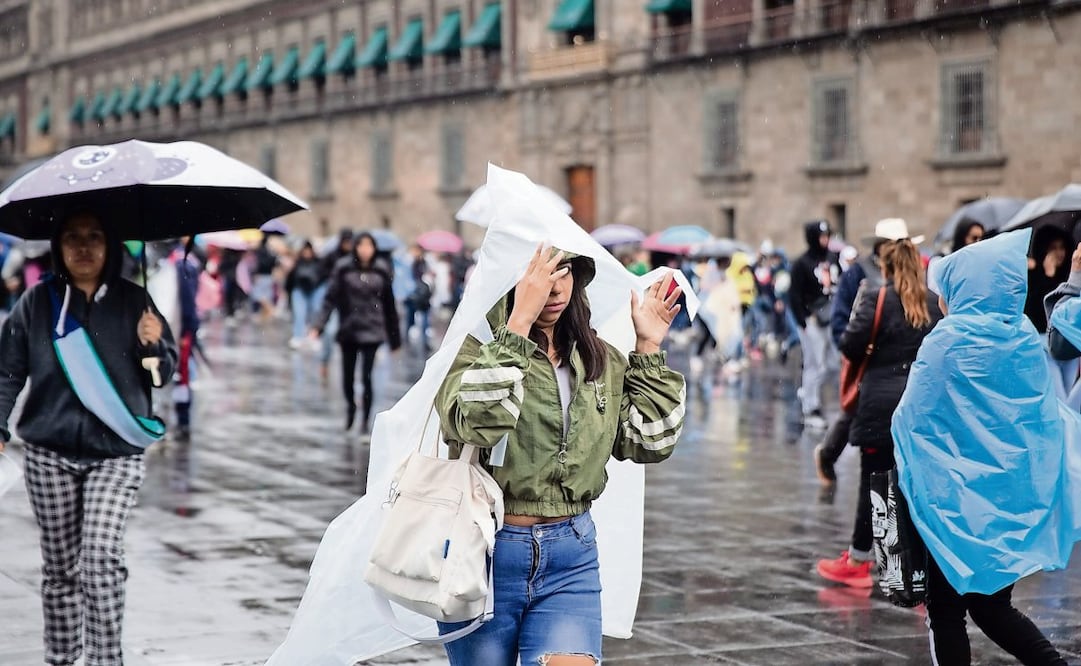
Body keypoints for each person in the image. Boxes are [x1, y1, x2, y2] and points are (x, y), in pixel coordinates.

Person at [434, 245, 686, 665]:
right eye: (540, 273)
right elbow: (477, 421)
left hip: (571, 559)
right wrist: (517, 324)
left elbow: (650, 440)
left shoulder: (598, 359)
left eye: (565, 270)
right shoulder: (475, 350)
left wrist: (648, 346)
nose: (555, 286)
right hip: (484, 555)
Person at [0, 211, 177, 666]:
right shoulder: (38, 303)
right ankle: (60, 658)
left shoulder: (137, 301)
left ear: (110, 245)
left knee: (99, 560)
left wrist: (153, 346)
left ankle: (105, 659)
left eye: (94, 237)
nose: (83, 247)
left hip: (116, 452)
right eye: (73, 238)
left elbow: (162, 376)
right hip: (48, 453)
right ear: (58, 246)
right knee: (60, 570)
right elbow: (7, 370)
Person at [893, 229, 1070, 665]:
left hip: (950, 503)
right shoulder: (1025, 339)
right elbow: (1039, 417)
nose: (941, 300)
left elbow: (910, 417)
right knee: (992, 606)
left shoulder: (947, 343)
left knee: (947, 610)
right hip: (1003, 503)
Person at [816, 225, 942, 588]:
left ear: (885, 266)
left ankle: (859, 560)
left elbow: (851, 347)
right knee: (915, 487)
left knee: (875, 485)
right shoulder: (935, 302)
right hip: (920, 407)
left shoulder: (876, 298)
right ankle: (920, 569)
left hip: (880, 409)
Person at [814, 221, 891, 484]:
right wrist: (850, 345)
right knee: (855, 404)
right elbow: (840, 316)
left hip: (892, 351)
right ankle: (829, 452)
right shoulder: (858, 272)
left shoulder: (907, 274)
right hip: (863, 350)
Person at [312, 232, 401, 433]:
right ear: (356, 248)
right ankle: (351, 406)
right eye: (362, 245)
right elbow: (330, 298)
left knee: (367, 377)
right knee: (347, 377)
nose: (365, 250)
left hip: (373, 329)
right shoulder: (343, 268)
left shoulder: (381, 270)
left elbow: (390, 305)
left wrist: (395, 339)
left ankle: (365, 422)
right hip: (349, 329)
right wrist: (319, 325)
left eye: (369, 246)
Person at [789, 220, 841, 429]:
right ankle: (810, 406)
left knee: (833, 364)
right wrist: (802, 320)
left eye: (827, 235)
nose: (825, 240)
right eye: (821, 236)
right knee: (814, 364)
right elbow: (794, 294)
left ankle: (810, 393)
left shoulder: (832, 258)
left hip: (831, 317)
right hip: (812, 320)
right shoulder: (802, 263)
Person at [1025, 227, 1077, 399]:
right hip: (1043, 347)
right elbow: (1036, 311)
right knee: (1059, 398)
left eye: (1061, 247)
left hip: (1068, 347)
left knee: (1069, 396)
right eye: (1053, 248)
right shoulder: (1031, 276)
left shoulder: (1071, 277)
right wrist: (1047, 275)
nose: (1059, 253)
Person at [285, 240, 323, 350]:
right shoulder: (297, 262)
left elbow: (322, 276)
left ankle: (314, 336)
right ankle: (298, 336)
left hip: (314, 290)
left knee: (315, 313)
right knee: (299, 313)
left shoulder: (318, 262)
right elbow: (290, 279)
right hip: (299, 290)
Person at [402, 243, 432, 351]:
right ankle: (406, 340)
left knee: (424, 321)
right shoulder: (409, 263)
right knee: (410, 319)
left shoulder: (424, 263)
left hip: (422, 296)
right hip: (412, 296)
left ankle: (424, 342)